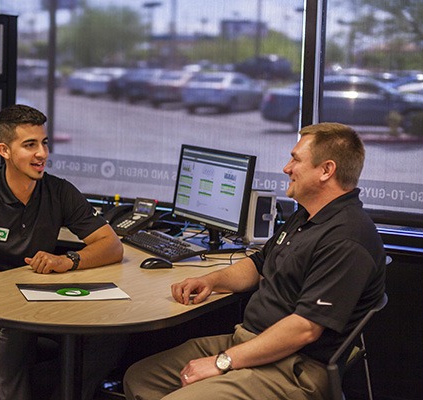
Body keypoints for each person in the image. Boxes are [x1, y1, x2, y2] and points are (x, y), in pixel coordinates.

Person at [123, 122, 386, 400]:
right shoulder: (307, 215)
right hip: (251, 341)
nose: (287, 168)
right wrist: (211, 281)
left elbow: (304, 329)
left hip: (293, 366)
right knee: (141, 380)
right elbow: (259, 264)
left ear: (326, 170)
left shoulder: (347, 238)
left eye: (295, 159)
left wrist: (222, 362)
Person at [0, 104, 125, 400]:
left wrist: (67, 260)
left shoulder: (58, 191)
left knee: (111, 331)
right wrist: (3, 281)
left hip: (37, 297)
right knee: (18, 329)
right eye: (30, 145)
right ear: (5, 151)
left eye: (44, 143)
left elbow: (111, 245)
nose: (42, 154)